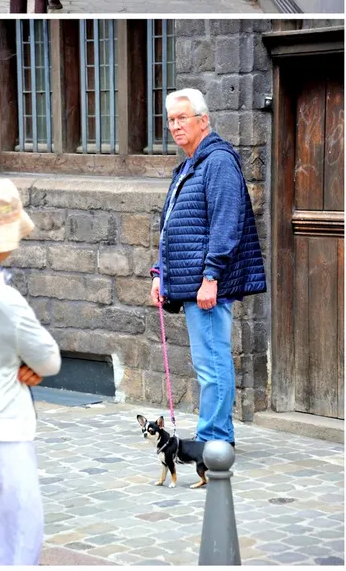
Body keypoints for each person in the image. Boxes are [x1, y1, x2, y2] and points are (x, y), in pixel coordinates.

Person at [150, 89, 267, 446]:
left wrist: (211, 277)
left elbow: (225, 224)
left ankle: (214, 442)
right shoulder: (189, 165)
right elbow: (174, 225)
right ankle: (216, 438)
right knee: (208, 364)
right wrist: (160, 273)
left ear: (203, 120)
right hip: (190, 284)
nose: (175, 126)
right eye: (170, 120)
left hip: (207, 287)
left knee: (212, 364)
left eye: (182, 118)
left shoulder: (217, 161)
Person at [0, 177, 61, 566]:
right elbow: (49, 359)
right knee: (16, 543)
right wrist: (26, 361)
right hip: (4, 434)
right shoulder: (1, 297)